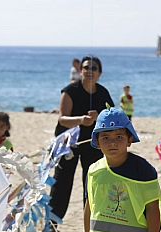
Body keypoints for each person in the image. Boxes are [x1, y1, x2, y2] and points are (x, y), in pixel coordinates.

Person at [49, 55, 114, 222]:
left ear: (100, 72)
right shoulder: (70, 90)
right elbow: (62, 119)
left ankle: (92, 221)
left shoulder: (103, 93)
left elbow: (112, 116)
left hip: (92, 143)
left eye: (94, 68)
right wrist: (81, 120)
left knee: (92, 182)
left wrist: (99, 116)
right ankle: (52, 221)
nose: (89, 71)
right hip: (69, 143)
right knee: (62, 182)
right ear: (80, 71)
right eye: (86, 68)